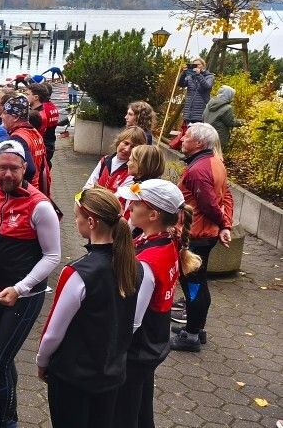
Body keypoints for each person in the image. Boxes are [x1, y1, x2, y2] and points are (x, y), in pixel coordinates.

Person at [36, 187, 144, 428]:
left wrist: (42, 361)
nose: (76, 222)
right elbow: (132, 321)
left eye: (77, 217)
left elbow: (54, 330)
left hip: (73, 377)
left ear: (92, 222)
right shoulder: (135, 266)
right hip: (112, 373)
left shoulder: (78, 272)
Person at [0, 140, 61, 428]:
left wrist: (21, 288)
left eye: (14, 168)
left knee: (0, 359)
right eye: (2, 168)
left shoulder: (40, 206)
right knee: (3, 357)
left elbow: (52, 256)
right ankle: (8, 416)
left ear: (25, 168)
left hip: (25, 295)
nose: (8, 174)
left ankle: (2, 422)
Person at [115, 179, 201, 428]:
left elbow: (133, 319)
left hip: (138, 346)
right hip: (154, 338)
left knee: (125, 412)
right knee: (141, 405)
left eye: (136, 203)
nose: (130, 205)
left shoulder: (148, 261)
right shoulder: (166, 239)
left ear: (153, 214)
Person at [171, 122, 233, 352]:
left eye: (186, 137)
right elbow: (226, 196)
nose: (182, 139)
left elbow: (208, 205)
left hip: (195, 235)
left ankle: (192, 335)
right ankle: (196, 327)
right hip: (203, 233)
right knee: (197, 282)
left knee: (193, 284)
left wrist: (224, 224)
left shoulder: (199, 170)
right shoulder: (215, 162)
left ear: (198, 143)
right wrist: (225, 225)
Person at [1, 95, 50, 195]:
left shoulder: (17, 138)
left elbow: (30, 169)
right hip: (36, 189)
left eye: (5, 113)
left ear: (15, 117)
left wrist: (15, 189)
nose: (1, 116)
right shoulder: (34, 132)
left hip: (26, 193)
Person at [83, 126, 147, 193]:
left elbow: (120, 198)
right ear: (119, 141)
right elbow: (89, 185)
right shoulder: (105, 160)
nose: (127, 149)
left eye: (133, 147)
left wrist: (97, 190)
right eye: (126, 143)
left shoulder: (133, 171)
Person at [27, 82, 59, 164]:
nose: (26, 97)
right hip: (49, 142)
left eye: (27, 94)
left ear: (36, 97)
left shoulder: (41, 112)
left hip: (44, 145)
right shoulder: (52, 107)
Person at [203, 85, 242, 151]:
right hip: (218, 136)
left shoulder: (210, 103)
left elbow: (203, 116)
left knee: (205, 153)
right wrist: (242, 122)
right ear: (229, 95)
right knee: (215, 156)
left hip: (206, 133)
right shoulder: (227, 108)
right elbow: (230, 122)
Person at [178, 57, 214, 130]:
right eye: (194, 65)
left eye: (198, 64)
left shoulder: (209, 76)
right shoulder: (190, 76)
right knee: (187, 133)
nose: (196, 66)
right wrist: (183, 73)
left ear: (203, 66)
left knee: (197, 134)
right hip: (189, 110)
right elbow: (181, 84)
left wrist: (198, 75)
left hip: (200, 111)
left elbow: (207, 86)